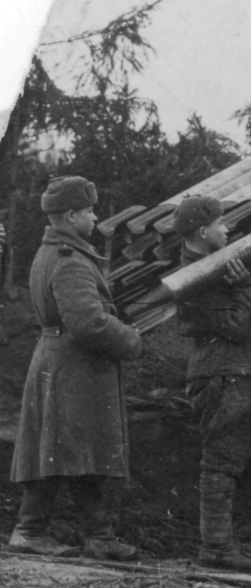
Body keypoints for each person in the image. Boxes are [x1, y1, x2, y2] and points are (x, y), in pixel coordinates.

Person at [8, 176, 143, 559]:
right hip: (74, 368)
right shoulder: (70, 261)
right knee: (70, 450)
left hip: (60, 362)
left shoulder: (53, 252)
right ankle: (33, 532)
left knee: (72, 451)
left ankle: (95, 536)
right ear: (71, 215)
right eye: (89, 210)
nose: (94, 217)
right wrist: (131, 339)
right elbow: (89, 323)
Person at [173, 195, 251, 571]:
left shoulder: (211, 268)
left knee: (228, 457)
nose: (228, 228)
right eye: (221, 223)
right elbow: (238, 324)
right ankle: (216, 546)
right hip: (221, 373)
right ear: (203, 231)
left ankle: (220, 543)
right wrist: (247, 287)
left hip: (227, 370)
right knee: (222, 459)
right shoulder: (196, 278)